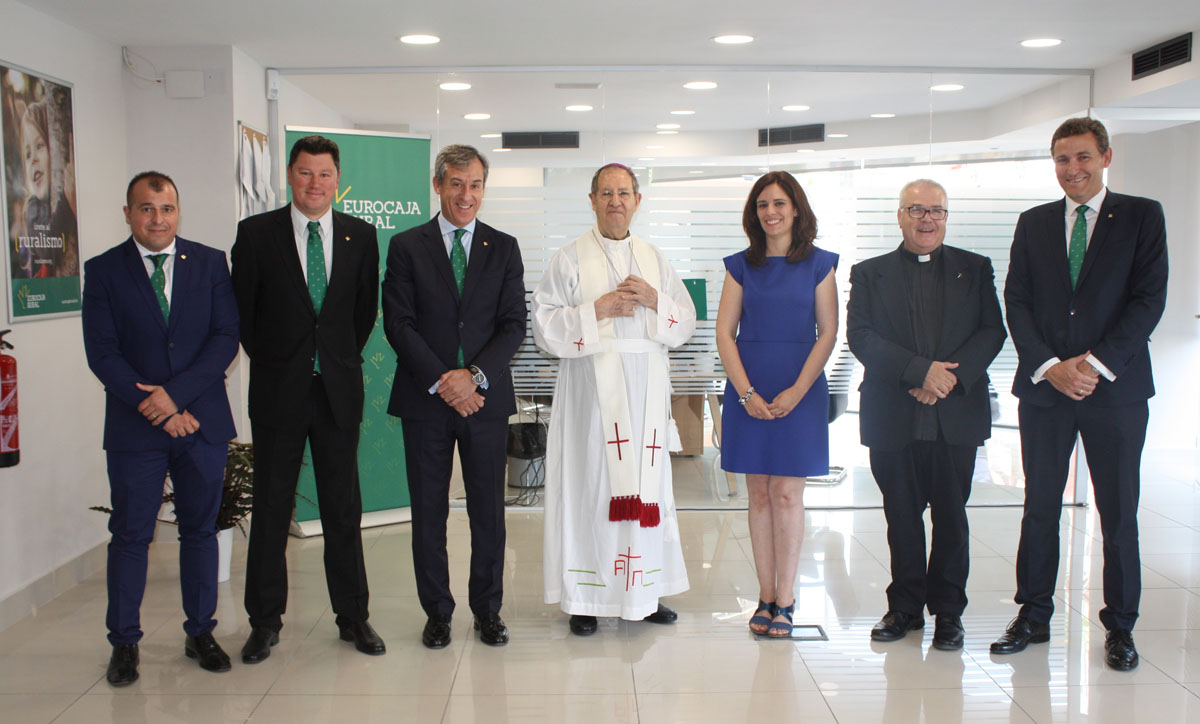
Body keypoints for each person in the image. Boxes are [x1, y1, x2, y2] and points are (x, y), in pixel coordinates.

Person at [991, 118, 1168, 671]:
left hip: (1114, 392)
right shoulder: (1034, 222)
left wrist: (1091, 366)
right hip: (1046, 391)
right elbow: (1016, 299)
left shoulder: (1141, 215)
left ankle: (1120, 627)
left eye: (1083, 158)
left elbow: (1148, 300)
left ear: (1106, 156)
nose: (1073, 169)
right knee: (1039, 507)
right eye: (1063, 159)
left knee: (1118, 513)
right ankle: (1033, 615)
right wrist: (1049, 367)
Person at [82, 171, 240, 685]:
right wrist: (160, 406)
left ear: (178, 211)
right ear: (127, 213)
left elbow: (224, 339)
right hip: (137, 428)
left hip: (201, 423)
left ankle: (200, 632)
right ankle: (124, 643)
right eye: (146, 209)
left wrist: (177, 397)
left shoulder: (211, 263)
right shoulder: (104, 271)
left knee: (199, 530)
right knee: (130, 535)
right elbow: (102, 353)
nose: (157, 218)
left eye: (166, 208)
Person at [231, 135, 385, 662]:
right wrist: (284, 362)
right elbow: (245, 319)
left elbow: (362, 315)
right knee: (272, 508)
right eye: (304, 173)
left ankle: (353, 618)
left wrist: (332, 359)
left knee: (343, 509)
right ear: (289, 176)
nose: (314, 184)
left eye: (323, 174)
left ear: (336, 180)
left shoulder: (362, 237)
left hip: (337, 392)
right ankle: (264, 622)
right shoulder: (255, 235)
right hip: (279, 391)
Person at [532, 163, 696, 635]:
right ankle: (586, 597)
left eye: (624, 193)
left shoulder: (655, 260)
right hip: (590, 399)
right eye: (606, 193)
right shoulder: (568, 259)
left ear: (638, 201)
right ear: (592, 199)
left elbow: (683, 323)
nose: (615, 202)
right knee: (591, 487)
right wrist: (597, 309)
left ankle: (645, 591)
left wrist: (653, 299)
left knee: (647, 491)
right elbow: (543, 328)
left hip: (644, 399)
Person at [847, 179, 1005, 650]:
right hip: (894, 416)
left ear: (945, 217)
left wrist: (945, 380)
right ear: (899, 216)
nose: (927, 219)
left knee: (953, 520)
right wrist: (920, 372)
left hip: (953, 416)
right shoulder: (870, 273)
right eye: (916, 210)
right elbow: (862, 336)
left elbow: (990, 332)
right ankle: (905, 608)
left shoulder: (974, 269)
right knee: (901, 517)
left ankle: (949, 613)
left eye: (936, 211)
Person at [382, 144, 526, 649]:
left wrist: (475, 376)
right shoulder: (406, 246)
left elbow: (513, 325)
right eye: (457, 184)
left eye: (476, 185)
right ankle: (437, 611)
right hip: (427, 400)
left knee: (489, 509)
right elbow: (397, 324)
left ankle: (487, 609)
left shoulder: (504, 247)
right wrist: (446, 379)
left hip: (485, 401)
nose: (467, 195)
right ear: (438, 185)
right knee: (429, 509)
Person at [715, 171, 838, 638]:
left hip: (799, 389)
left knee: (787, 494)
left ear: (796, 209)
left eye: (780, 203)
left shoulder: (820, 264)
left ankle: (786, 600)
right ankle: (764, 597)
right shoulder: (739, 265)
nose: (771, 212)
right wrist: (745, 393)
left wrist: (797, 391)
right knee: (760, 495)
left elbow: (827, 333)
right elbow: (725, 333)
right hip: (750, 389)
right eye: (763, 204)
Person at [18, 99, 78, 278]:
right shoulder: (33, 207)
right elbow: (47, 252)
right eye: (28, 154)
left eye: (39, 146)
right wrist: (66, 202)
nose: (33, 159)